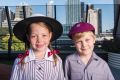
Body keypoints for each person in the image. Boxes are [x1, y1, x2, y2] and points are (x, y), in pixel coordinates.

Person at [10, 14, 65, 80]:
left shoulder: (57, 60)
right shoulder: (19, 61)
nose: (39, 40)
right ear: (28, 37)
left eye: (44, 35)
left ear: (50, 36)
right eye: (34, 36)